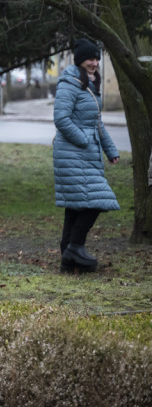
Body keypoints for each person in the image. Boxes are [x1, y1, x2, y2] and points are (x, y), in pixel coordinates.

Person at [54, 38, 120, 273]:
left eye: (97, 58)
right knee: (98, 200)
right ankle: (75, 247)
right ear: (80, 59)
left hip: (84, 152)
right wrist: (84, 140)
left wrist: (110, 149)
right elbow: (61, 118)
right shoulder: (69, 83)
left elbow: (96, 122)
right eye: (91, 58)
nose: (95, 62)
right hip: (73, 152)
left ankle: (68, 259)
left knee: (77, 204)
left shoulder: (90, 83)